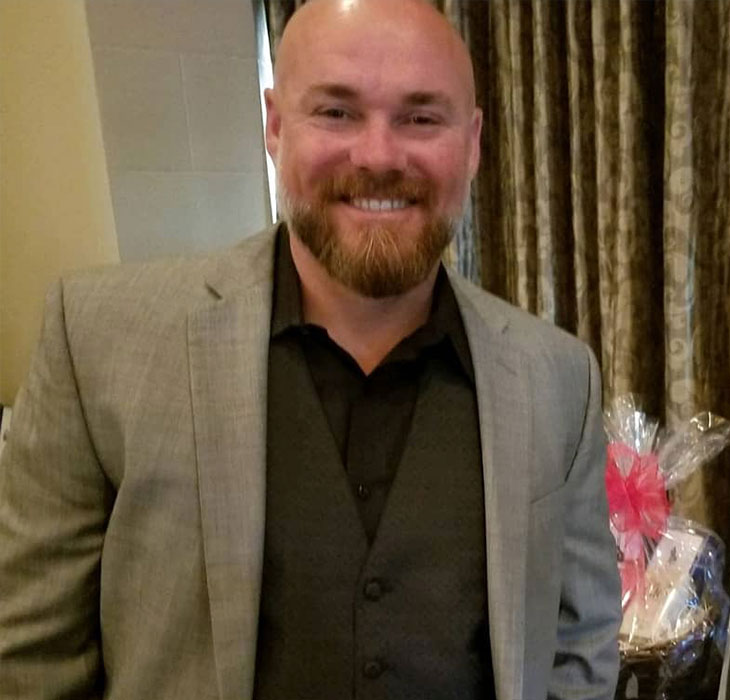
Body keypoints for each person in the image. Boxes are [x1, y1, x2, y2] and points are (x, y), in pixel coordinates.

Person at [0, 0, 621, 698]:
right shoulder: (96, 341)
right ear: (275, 125)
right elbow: (30, 658)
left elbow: (580, 643)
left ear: (472, 142)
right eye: (336, 112)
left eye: (421, 117)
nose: (379, 156)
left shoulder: (560, 377)